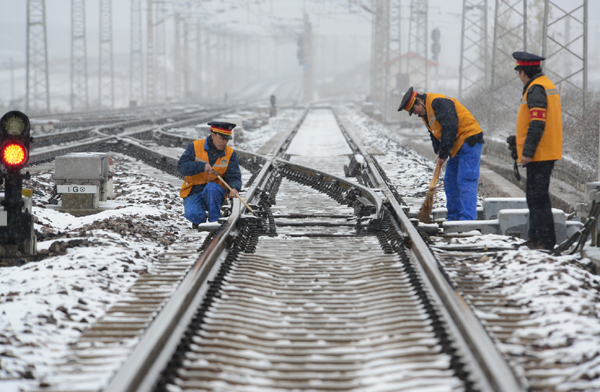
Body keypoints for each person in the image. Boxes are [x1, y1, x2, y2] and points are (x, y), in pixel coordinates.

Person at [398, 87, 484, 220]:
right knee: (450, 182)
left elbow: (450, 127)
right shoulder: (424, 113)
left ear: (419, 100)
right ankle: (454, 218)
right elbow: (434, 133)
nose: (415, 113)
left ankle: (467, 220)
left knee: (465, 180)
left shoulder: (438, 102)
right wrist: (438, 149)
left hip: (469, 139)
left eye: (414, 110)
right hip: (456, 145)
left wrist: (443, 153)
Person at [509, 51, 563, 251]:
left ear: (524, 72)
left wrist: (528, 152)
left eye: (518, 72)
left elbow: (538, 123)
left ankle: (545, 241)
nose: (518, 76)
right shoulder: (544, 85)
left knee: (538, 198)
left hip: (540, 154)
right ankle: (535, 238)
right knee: (534, 196)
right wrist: (519, 140)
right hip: (545, 150)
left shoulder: (536, 88)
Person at [178, 121, 242, 229]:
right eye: (222, 138)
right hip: (194, 191)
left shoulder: (230, 153)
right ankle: (200, 221)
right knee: (193, 214)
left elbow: (234, 175)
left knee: (211, 187)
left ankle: (214, 222)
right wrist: (201, 167)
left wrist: (234, 188)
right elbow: (181, 167)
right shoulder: (194, 146)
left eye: (227, 139)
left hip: (216, 192)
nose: (225, 142)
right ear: (213, 135)